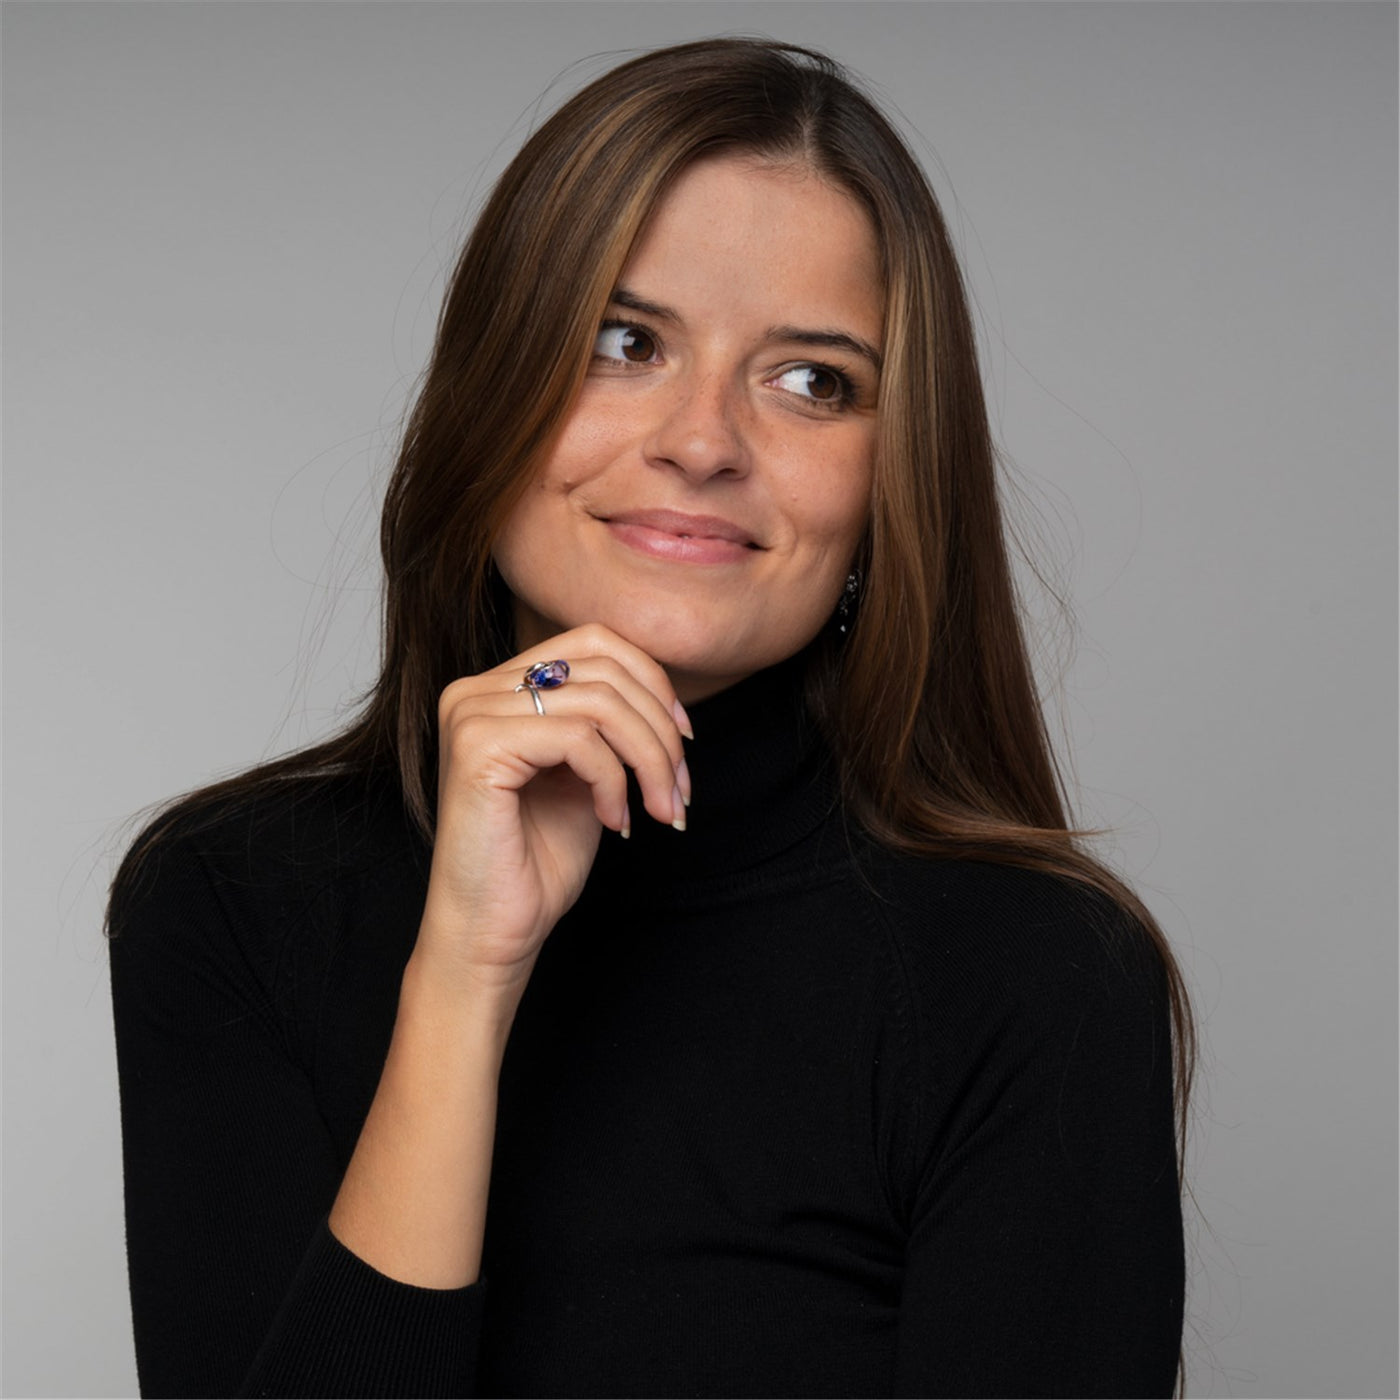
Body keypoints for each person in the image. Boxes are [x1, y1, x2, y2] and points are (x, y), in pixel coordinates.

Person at [107, 37, 1193, 1400]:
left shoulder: (1037, 972)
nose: (703, 441)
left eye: (812, 380)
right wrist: (463, 981)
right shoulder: (228, 901)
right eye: (625, 344)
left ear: (892, 479)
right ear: (488, 394)